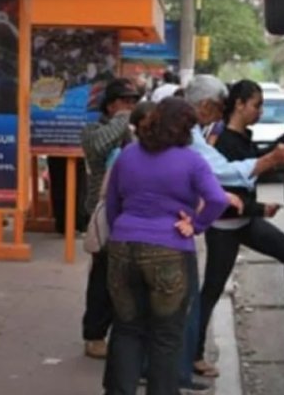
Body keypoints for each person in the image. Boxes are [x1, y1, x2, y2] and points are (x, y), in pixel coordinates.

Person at [103, 97, 229, 394]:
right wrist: (196, 225)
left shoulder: (128, 155)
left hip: (123, 246)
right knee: (166, 335)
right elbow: (217, 200)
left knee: (126, 329)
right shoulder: (191, 161)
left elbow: (111, 204)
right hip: (169, 251)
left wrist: (122, 232)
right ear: (187, 128)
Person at [180, 75, 284, 384]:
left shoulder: (203, 133)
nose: (220, 112)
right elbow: (223, 177)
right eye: (256, 105)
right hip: (221, 226)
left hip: (241, 223)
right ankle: (188, 358)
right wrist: (269, 163)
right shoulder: (207, 138)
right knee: (207, 292)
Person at [80, 78, 140, 359]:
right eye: (125, 101)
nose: (130, 107)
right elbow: (100, 147)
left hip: (131, 213)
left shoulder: (134, 133)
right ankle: (94, 335)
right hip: (103, 212)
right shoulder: (94, 130)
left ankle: (122, 332)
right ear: (111, 104)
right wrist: (123, 121)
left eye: (134, 101)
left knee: (126, 278)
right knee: (102, 277)